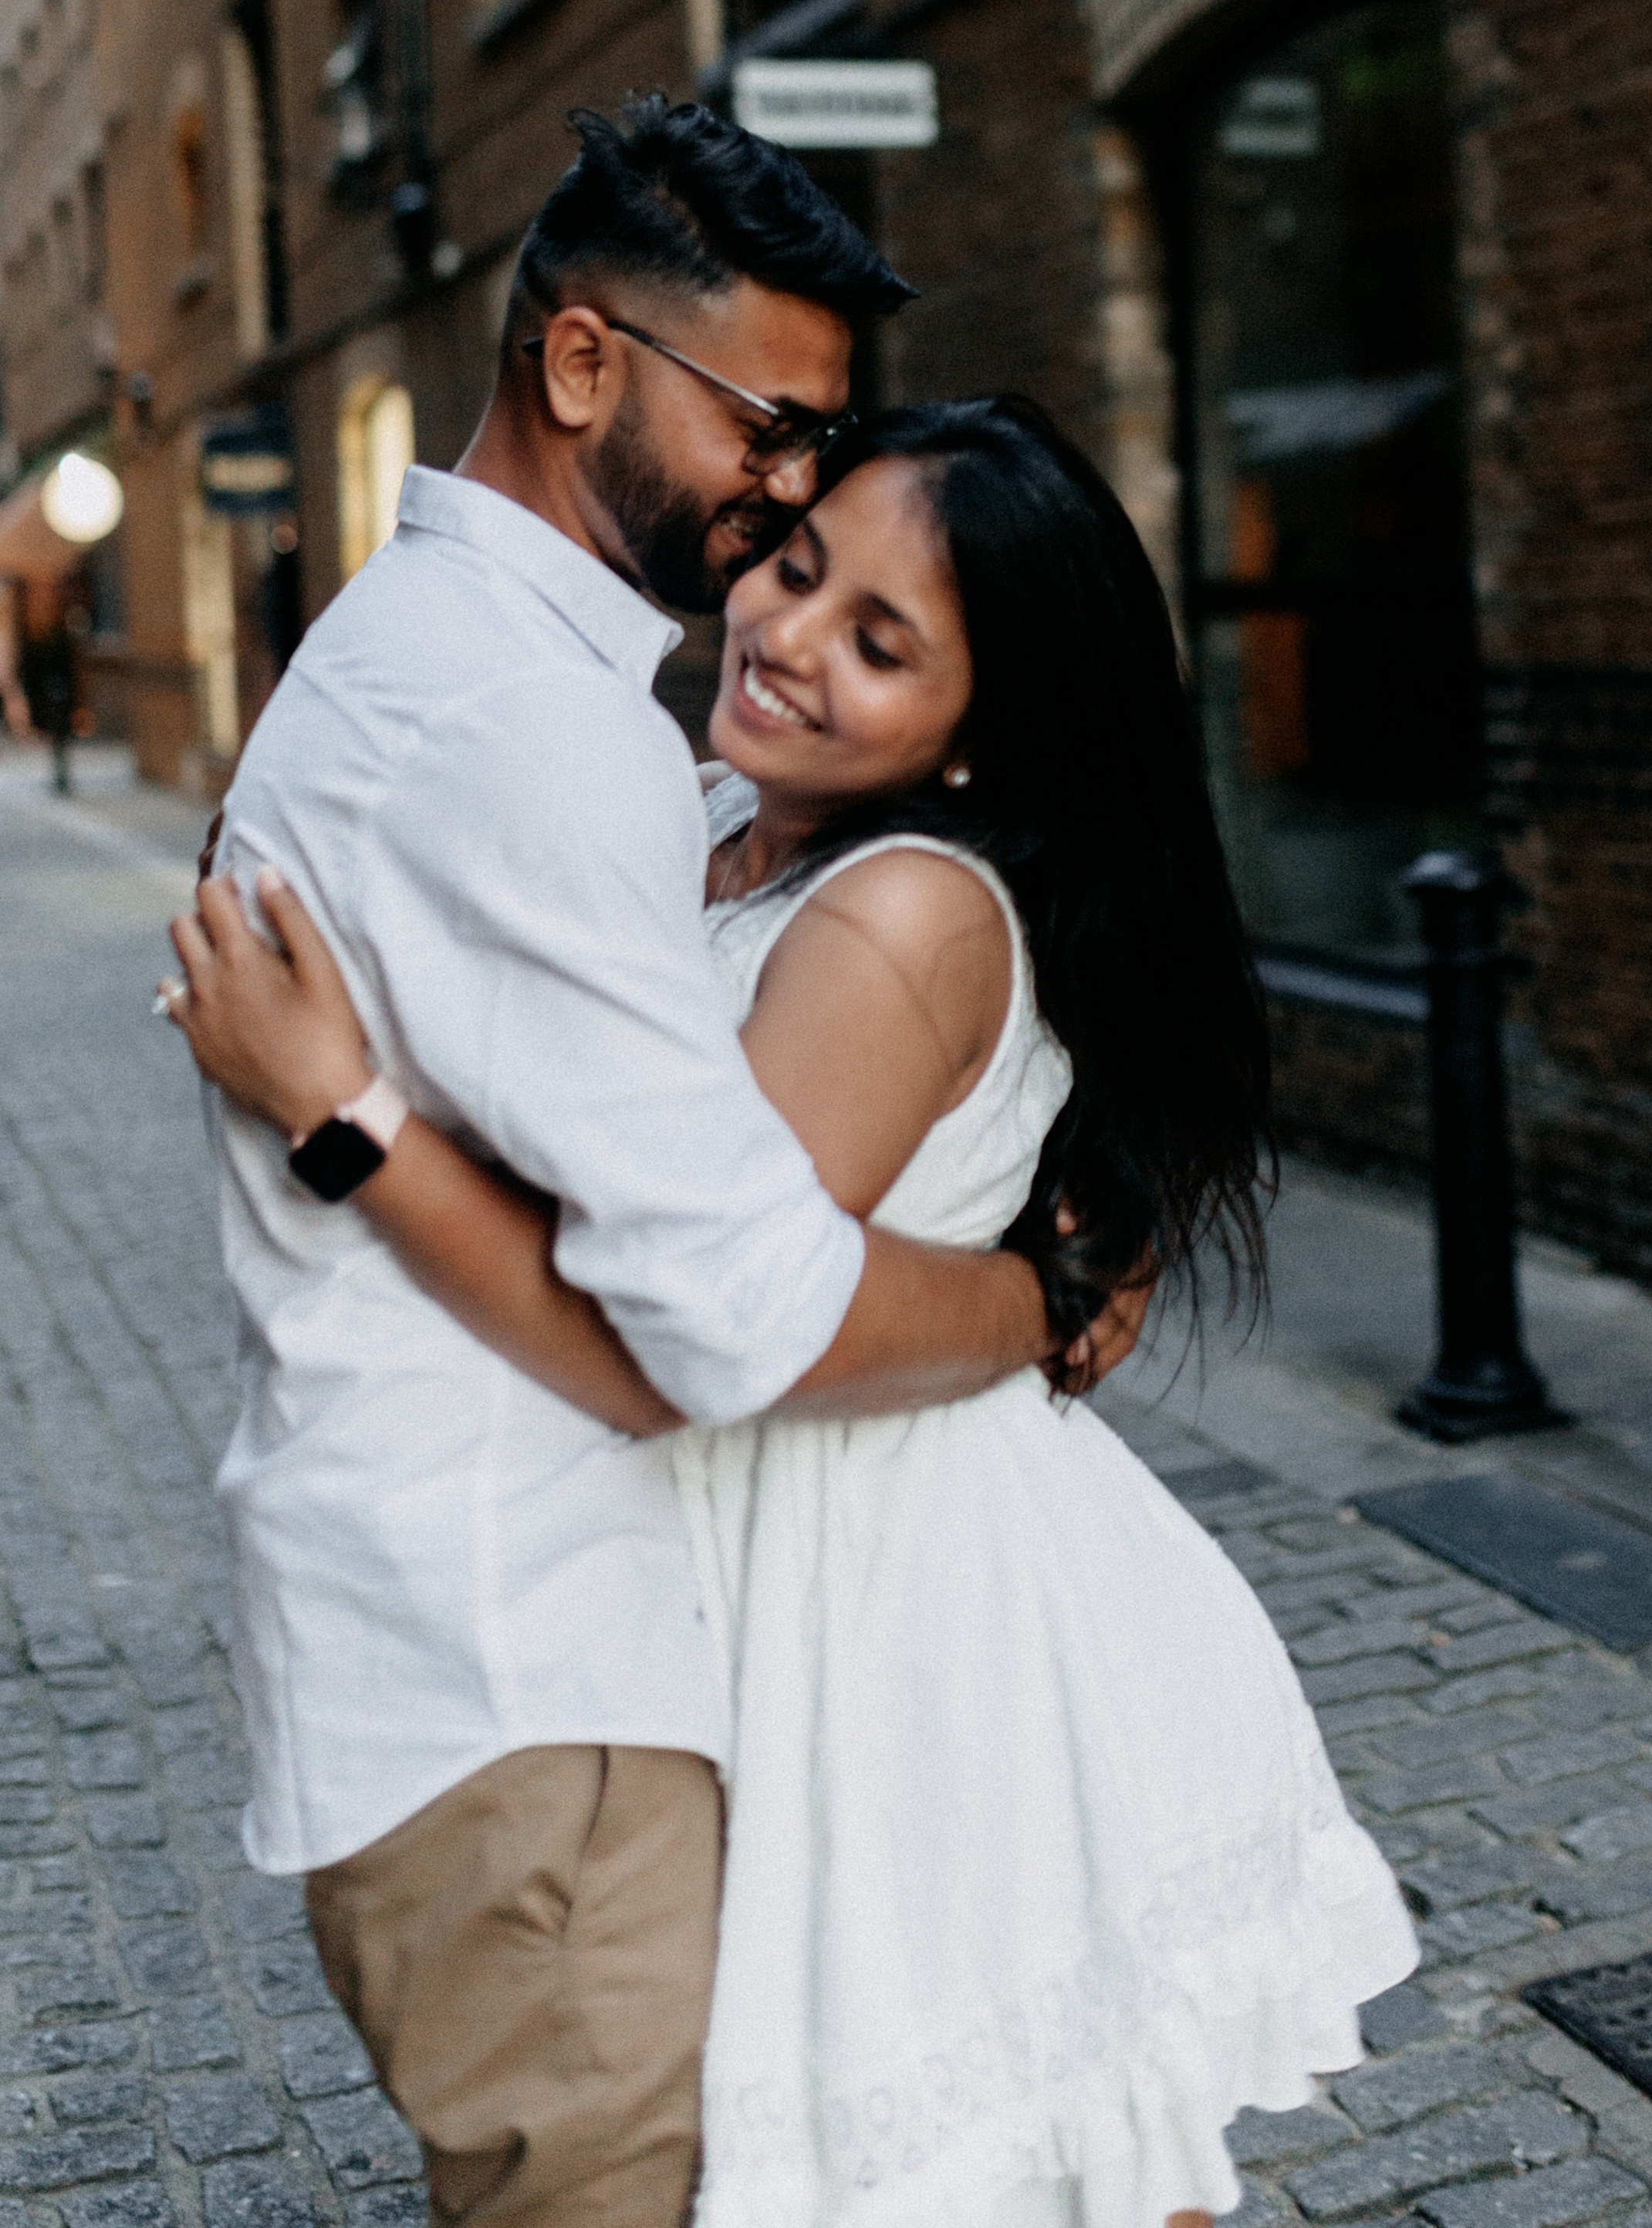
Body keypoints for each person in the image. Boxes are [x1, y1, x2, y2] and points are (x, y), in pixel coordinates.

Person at [166, 394, 1420, 2228]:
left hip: (889, 1597)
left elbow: (685, 1327)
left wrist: (344, 1116)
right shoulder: (710, 822)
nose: (786, 638)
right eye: (801, 568)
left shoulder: (898, 915)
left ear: (983, 735)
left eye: (880, 642)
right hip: (784, 1553)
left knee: (962, 2132)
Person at [171, 102, 1151, 2228]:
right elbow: (723, 1319)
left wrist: (366, 1123)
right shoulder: (543, 732)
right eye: (773, 437)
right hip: (517, 1679)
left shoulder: (496, 689)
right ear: (587, 365)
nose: (787, 492)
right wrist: (1040, 1298)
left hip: (559, 1662)